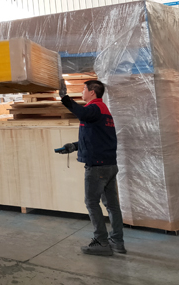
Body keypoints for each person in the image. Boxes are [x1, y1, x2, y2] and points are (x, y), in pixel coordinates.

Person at [58, 79, 125, 256]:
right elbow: (95, 138)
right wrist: (74, 146)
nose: (82, 92)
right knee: (112, 205)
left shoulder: (94, 108)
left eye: (83, 89)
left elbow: (82, 113)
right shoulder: (103, 110)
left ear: (92, 92)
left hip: (97, 167)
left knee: (91, 203)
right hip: (109, 165)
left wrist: (65, 98)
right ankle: (117, 241)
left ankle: (101, 242)